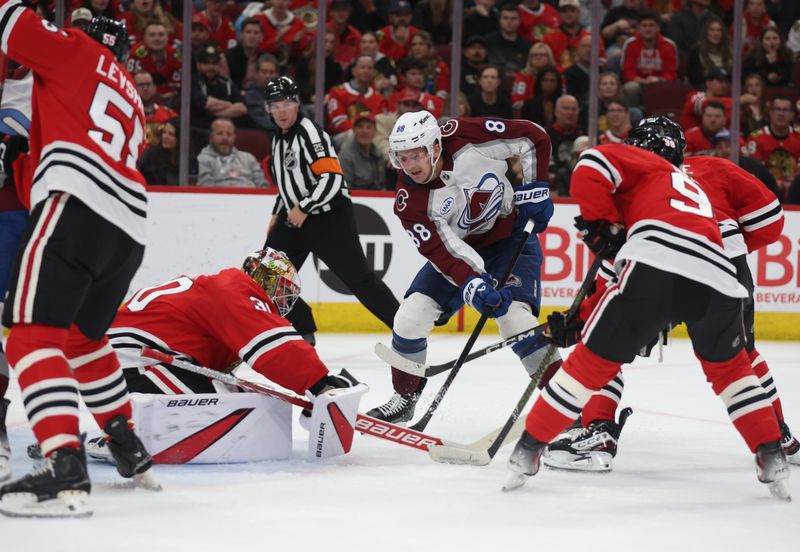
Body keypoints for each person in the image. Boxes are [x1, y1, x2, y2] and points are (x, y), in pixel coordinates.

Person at [503, 117, 791, 501]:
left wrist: (597, 228)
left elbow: (590, 164)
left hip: (655, 264)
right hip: (720, 272)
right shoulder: (697, 182)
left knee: (591, 363)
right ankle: (772, 454)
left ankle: (529, 451)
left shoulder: (635, 170)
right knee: (734, 370)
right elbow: (764, 222)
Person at [0, 15, 157, 518]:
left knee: (27, 333)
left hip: (76, 203)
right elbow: (55, 153)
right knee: (81, 340)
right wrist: (19, 161)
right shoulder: (130, 93)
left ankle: (63, 465)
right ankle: (127, 445)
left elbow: (10, 19)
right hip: (129, 227)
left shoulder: (72, 50)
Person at [366, 110, 558, 423]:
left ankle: (564, 407)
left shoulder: (467, 135)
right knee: (409, 318)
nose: (410, 166)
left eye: (416, 155)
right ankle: (405, 397)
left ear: (435, 148)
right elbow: (444, 250)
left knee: (515, 323)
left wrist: (536, 186)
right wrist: (474, 282)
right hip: (461, 251)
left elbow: (532, 135)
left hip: (511, 238)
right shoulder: (409, 202)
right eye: (402, 158)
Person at [263, 76, 399, 345]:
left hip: (328, 217)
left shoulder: (310, 133)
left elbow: (333, 179)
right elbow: (286, 184)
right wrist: (278, 212)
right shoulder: (278, 139)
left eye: (286, 103)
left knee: (360, 280)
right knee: (267, 275)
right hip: (295, 218)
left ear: (297, 104)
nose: (280, 111)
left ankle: (406, 330)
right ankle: (303, 328)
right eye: (274, 105)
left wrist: (304, 207)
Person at [619, 10, 678, 108]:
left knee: (669, 88)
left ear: (658, 27)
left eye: (651, 25)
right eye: (644, 25)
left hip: (660, 83)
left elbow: (671, 73)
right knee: (630, 88)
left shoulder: (669, 45)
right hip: (637, 83)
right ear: (638, 28)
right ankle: (632, 115)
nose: (648, 29)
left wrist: (658, 79)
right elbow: (627, 72)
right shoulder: (630, 44)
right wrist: (643, 81)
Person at [746, 96, 800, 197]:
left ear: (792, 114)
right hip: (766, 189)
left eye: (785, 110)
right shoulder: (756, 138)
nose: (781, 114)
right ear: (770, 113)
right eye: (777, 109)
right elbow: (756, 170)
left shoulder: (798, 137)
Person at [190, 43, 248, 132]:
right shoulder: (193, 82)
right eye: (206, 63)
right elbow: (207, 104)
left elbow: (242, 108)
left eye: (214, 63)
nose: (211, 67)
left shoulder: (227, 83)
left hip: (228, 131)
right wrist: (230, 105)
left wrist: (213, 114)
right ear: (198, 65)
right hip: (201, 131)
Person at [197, 118, 268, 188]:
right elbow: (206, 190)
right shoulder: (203, 159)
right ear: (211, 137)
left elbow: (262, 186)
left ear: (234, 137)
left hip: (252, 198)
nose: (225, 138)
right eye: (220, 133)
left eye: (229, 134)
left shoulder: (248, 158)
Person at [126, 22, 182, 101]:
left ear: (168, 37)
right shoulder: (136, 54)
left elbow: (176, 86)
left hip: (170, 99)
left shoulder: (176, 55)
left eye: (161, 35)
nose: (157, 38)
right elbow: (130, 82)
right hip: (138, 98)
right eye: (152, 35)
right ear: (144, 38)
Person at [338, 112, 388, 191]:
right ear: (354, 130)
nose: (364, 131)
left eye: (368, 127)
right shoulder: (346, 156)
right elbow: (344, 190)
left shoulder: (378, 154)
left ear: (375, 131)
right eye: (360, 127)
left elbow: (382, 186)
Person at [547, 95, 584, 196]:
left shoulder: (584, 135)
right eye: (566, 108)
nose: (570, 112)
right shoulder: (544, 135)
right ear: (556, 111)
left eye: (574, 109)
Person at [685, 15, 733, 89]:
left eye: (719, 30)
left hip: (726, 91)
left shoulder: (729, 52)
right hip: (703, 91)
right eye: (712, 30)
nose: (716, 33)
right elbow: (695, 80)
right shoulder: (696, 53)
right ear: (706, 33)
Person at [134, 70, 178, 148]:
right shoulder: (127, 114)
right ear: (133, 88)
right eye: (141, 85)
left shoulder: (169, 115)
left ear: (154, 87)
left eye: (148, 84)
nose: (145, 88)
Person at [138, 117, 184, 185]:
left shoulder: (186, 158)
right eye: (164, 132)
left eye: (170, 134)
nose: (165, 136)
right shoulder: (151, 155)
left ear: (180, 138)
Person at [226, 17, 266, 91]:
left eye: (256, 33)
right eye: (248, 32)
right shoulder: (229, 56)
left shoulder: (264, 58)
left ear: (261, 37)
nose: (252, 36)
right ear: (241, 35)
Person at [244, 53, 280, 134]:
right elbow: (264, 123)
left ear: (277, 75)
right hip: (265, 135)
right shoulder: (251, 96)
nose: (268, 76)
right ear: (256, 74)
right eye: (264, 72)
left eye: (271, 72)